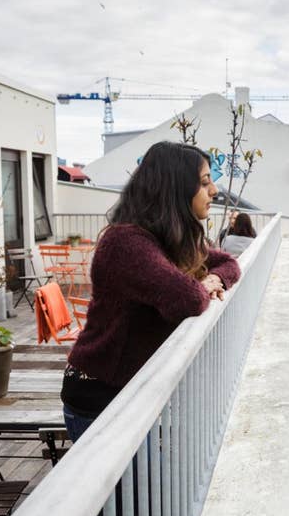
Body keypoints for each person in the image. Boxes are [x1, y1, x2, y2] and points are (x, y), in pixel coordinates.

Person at [61, 142, 242, 441]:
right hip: (100, 398)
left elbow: (229, 263)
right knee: (119, 490)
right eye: (205, 182)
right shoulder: (126, 243)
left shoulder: (168, 239)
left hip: (132, 393)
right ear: (175, 187)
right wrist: (206, 284)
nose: (214, 191)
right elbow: (188, 299)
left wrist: (215, 279)